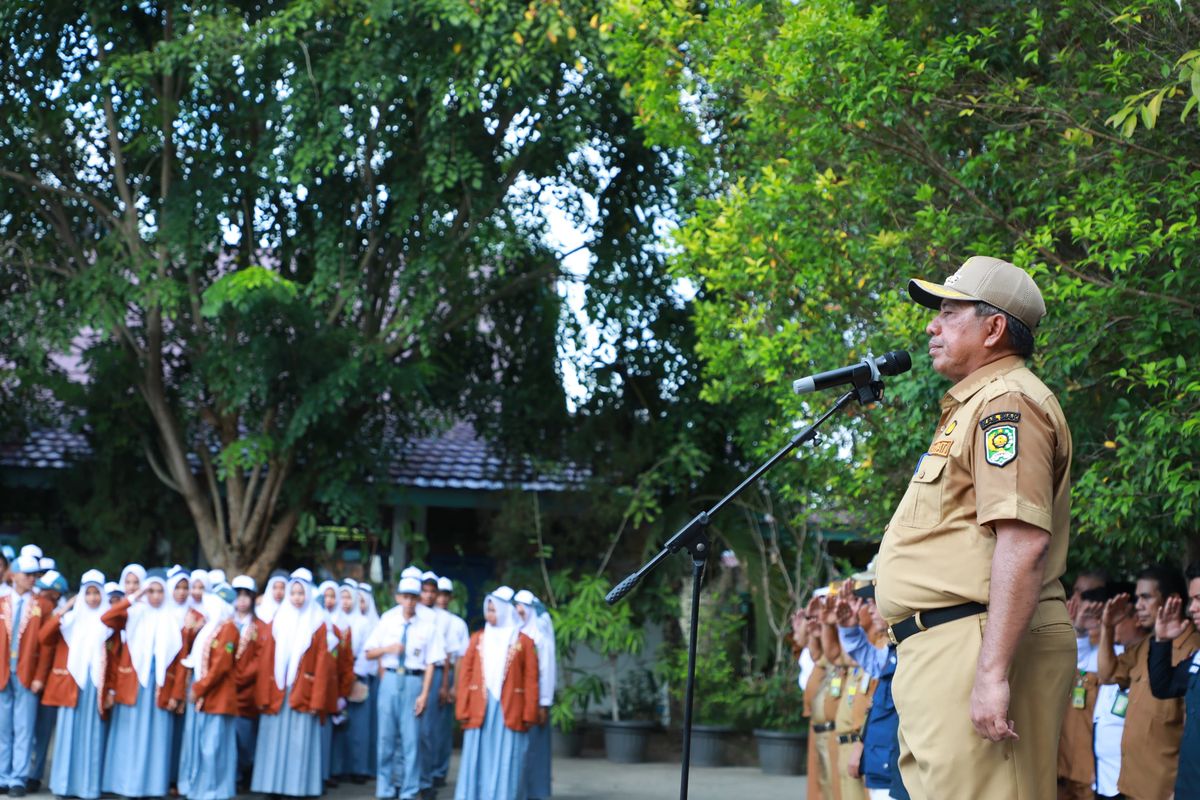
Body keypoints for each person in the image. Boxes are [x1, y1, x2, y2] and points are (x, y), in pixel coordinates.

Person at [875, 256, 1076, 800]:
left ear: (993, 328)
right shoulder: (976, 404)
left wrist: (992, 673)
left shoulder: (1007, 403)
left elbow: (1024, 539)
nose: (930, 326)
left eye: (947, 312)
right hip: (947, 644)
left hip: (977, 639)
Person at [1096, 563, 1200, 799]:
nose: (1138, 606)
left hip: (1164, 789)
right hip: (1130, 785)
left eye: (1146, 597)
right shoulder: (1148, 645)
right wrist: (1107, 627)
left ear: (1172, 600)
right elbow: (1107, 674)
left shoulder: (1193, 651)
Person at [101, 570, 186, 798]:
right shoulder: (134, 613)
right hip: (133, 685)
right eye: (151, 591)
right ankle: (126, 786)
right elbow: (107, 617)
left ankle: (153, 787)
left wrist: (177, 694)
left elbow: (180, 663)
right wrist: (134, 596)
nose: (155, 596)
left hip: (160, 689)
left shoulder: (173, 619)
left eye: (159, 591)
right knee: (129, 736)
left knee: (157, 739)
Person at [250, 568, 333, 798]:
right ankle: (272, 786)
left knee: (299, 741)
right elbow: (267, 660)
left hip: (302, 691)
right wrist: (263, 693)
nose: (297, 597)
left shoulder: (317, 623)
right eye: (293, 593)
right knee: (273, 739)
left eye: (301, 593)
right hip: (278, 690)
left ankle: (297, 788)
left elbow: (322, 665)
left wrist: (317, 698)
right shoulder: (278, 620)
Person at [453, 588, 539, 800]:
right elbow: (466, 674)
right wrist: (462, 707)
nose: (489, 615)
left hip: (510, 709)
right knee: (477, 756)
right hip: (480, 707)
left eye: (494, 610)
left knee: (508, 756)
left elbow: (531, 679)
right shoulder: (478, 638)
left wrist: (529, 713)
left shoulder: (524, 642)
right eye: (487, 610)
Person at [364, 576, 443, 800]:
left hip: (413, 680)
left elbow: (431, 662)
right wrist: (389, 649)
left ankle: (409, 790)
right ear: (398, 597)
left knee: (411, 741)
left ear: (418, 600)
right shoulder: (388, 621)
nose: (409, 602)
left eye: (413, 598)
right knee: (386, 739)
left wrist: (425, 694)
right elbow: (369, 652)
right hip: (390, 678)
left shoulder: (427, 626)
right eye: (405, 597)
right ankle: (385, 789)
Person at [42, 569, 110, 800]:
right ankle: (64, 785)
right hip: (72, 684)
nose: (92, 598)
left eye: (96, 593)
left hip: (95, 685)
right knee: (68, 732)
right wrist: (65, 608)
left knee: (92, 734)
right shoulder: (70, 620)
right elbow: (45, 637)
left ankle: (88, 787)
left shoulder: (108, 622)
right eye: (87, 593)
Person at [177, 583, 239, 800]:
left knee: (213, 745)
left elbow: (221, 665)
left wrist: (199, 688)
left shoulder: (228, 628)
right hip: (205, 691)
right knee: (200, 743)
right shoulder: (212, 626)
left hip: (216, 694)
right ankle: (198, 788)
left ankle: (214, 791)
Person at [1146, 561, 1200, 798]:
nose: (1193, 608)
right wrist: (1162, 640)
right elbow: (1163, 686)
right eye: (1192, 600)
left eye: (1199, 599)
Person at [1082, 582, 1139, 800]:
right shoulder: (1107, 650)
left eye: (1117, 617)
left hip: (1132, 780)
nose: (1111, 623)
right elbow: (1099, 672)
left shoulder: (1150, 653)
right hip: (1103, 777)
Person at [1056, 578, 1106, 800]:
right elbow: (1075, 661)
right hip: (1064, 760)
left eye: (1086, 596)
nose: (1077, 601)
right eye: (1075, 593)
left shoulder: (1115, 647)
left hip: (1093, 767)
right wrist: (1076, 627)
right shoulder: (1078, 639)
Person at [3, 553, 48, 797]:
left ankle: (18, 777)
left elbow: (47, 646)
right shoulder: (2, 601)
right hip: (2, 672)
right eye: (27, 574)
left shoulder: (41, 604)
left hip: (27, 673)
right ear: (14, 576)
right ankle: (3, 774)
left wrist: (40, 675)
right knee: (3, 727)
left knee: (24, 727)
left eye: (34, 575)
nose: (32, 579)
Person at [29, 566, 67, 791]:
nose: (40, 594)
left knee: (43, 730)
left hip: (50, 679)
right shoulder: (38, 607)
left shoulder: (58, 613)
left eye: (45, 591)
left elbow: (47, 647)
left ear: (55, 593)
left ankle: (35, 774)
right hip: (31, 676)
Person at [514, 589, 554, 800]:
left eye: (522, 606)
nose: (518, 610)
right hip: (518, 699)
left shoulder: (540, 635)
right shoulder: (515, 633)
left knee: (535, 750)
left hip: (537, 700)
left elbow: (547, 671)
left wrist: (543, 704)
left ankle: (537, 793)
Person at [332, 580, 373, 784]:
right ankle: (338, 768)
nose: (346, 602)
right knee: (338, 726)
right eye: (343, 597)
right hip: (337, 677)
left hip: (356, 675)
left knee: (358, 726)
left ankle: (358, 768)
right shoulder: (334, 620)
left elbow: (367, 651)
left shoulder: (363, 622)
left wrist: (354, 673)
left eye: (349, 597)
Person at [231, 574, 269, 791]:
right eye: (238, 595)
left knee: (245, 737)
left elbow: (259, 660)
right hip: (223, 690)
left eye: (247, 595)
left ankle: (246, 771)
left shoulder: (260, 627)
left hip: (246, 692)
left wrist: (239, 677)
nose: (242, 600)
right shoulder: (224, 621)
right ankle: (233, 776)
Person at [417, 571, 451, 795]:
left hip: (435, 672)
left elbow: (446, 656)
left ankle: (426, 779)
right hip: (411, 673)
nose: (429, 596)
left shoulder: (444, 619)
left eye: (433, 592)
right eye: (425, 591)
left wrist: (445, 684)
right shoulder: (409, 613)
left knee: (428, 731)